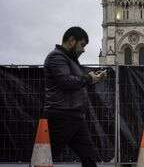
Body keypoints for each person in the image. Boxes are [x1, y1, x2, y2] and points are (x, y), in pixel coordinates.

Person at [43, 27, 107, 167]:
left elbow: (78, 80)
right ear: (71, 41)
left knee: (89, 157)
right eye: (82, 45)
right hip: (60, 116)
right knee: (44, 157)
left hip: (75, 117)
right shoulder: (56, 57)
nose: (83, 50)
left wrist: (94, 78)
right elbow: (66, 81)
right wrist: (88, 79)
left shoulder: (69, 60)